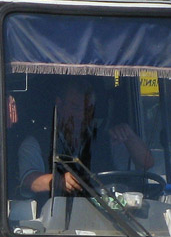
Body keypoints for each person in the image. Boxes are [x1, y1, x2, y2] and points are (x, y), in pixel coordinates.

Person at [17, 81, 153, 197]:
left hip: (109, 221)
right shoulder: (36, 143)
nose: (82, 116)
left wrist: (129, 135)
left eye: (88, 109)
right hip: (57, 223)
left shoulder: (108, 140)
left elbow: (146, 164)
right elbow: (30, 180)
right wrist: (59, 181)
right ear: (59, 105)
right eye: (75, 107)